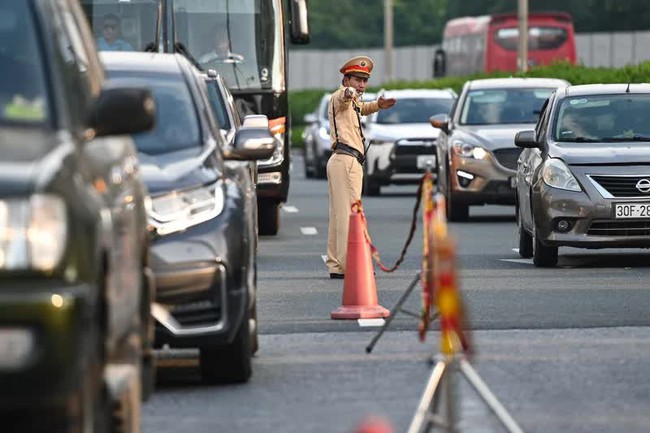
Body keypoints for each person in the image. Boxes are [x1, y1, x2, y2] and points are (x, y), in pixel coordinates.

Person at [326, 56, 397, 279]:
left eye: (365, 81)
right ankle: (352, 265)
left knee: (339, 215)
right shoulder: (341, 96)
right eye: (357, 79)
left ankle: (337, 265)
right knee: (350, 215)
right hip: (346, 160)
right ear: (346, 79)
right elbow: (345, 98)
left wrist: (378, 105)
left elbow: (360, 108)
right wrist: (348, 92)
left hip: (343, 160)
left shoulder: (353, 101)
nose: (361, 85)